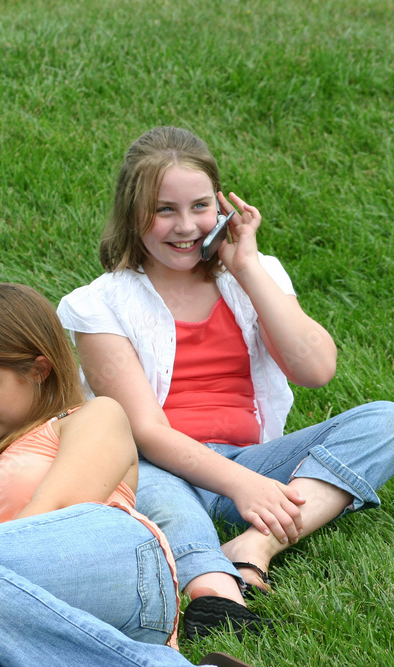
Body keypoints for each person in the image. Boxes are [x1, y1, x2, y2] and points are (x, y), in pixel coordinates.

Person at [58, 125, 394, 638]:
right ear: (133, 214)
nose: (186, 225)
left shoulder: (255, 275)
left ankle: (256, 546)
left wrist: (247, 268)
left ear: (223, 209)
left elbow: (317, 370)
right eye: (164, 210)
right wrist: (243, 486)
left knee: (386, 420)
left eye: (199, 207)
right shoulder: (99, 305)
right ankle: (216, 595)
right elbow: (144, 431)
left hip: (250, 458)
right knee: (162, 496)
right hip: (152, 461)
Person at [0, 283, 250, 667]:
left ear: (39, 369)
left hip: (118, 571)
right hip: (45, 627)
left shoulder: (94, 416)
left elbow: (54, 512)